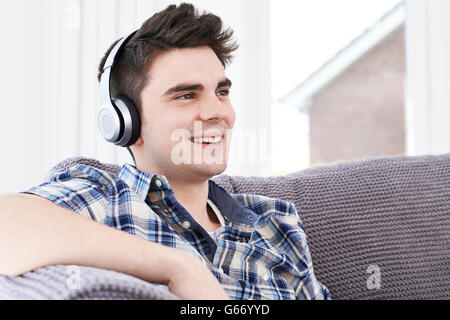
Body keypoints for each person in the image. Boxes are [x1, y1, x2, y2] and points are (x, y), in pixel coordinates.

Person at [0, 3, 330, 300]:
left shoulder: (276, 224)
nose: (217, 112)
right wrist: (179, 267)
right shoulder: (108, 198)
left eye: (222, 91)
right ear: (125, 122)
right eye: (186, 95)